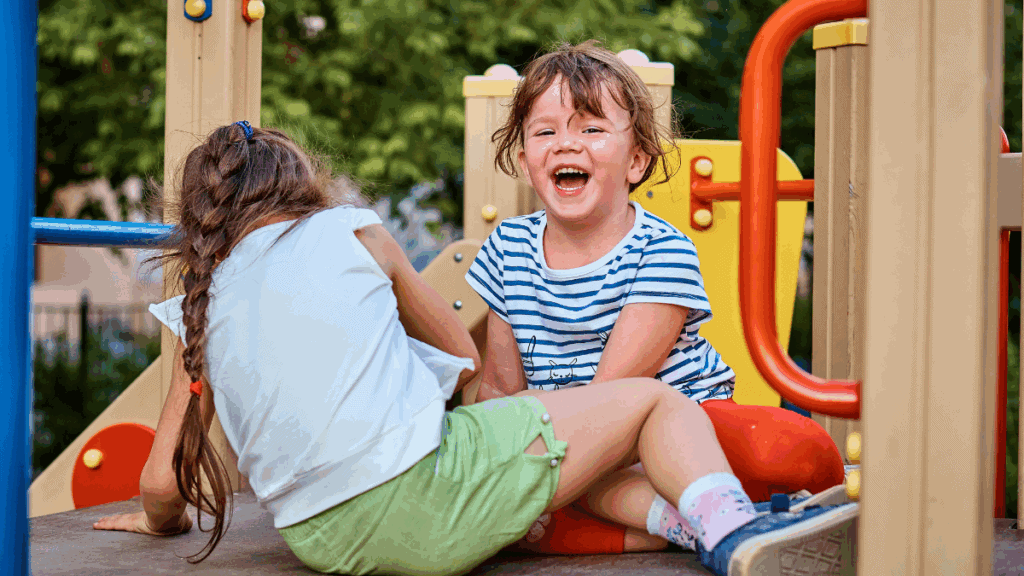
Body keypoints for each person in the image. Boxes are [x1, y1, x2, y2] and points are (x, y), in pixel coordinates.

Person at [91, 122, 855, 576]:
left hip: (320, 542)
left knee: (549, 467)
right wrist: (492, 417)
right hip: (422, 502)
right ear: (303, 186)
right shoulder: (350, 229)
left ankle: (681, 524)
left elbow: (162, 483)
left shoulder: (202, 300)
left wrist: (156, 523)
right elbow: (457, 348)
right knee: (655, 402)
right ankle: (735, 535)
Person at [464, 41, 846, 556]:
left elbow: (616, 393)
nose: (565, 144)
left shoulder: (660, 249)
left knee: (783, 451)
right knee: (503, 484)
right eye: (545, 131)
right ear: (524, 158)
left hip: (677, 430)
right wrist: (500, 455)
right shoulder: (508, 249)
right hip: (578, 446)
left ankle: (639, 515)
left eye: (591, 129)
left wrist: (539, 465)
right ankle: (700, 526)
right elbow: (499, 389)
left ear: (637, 161)